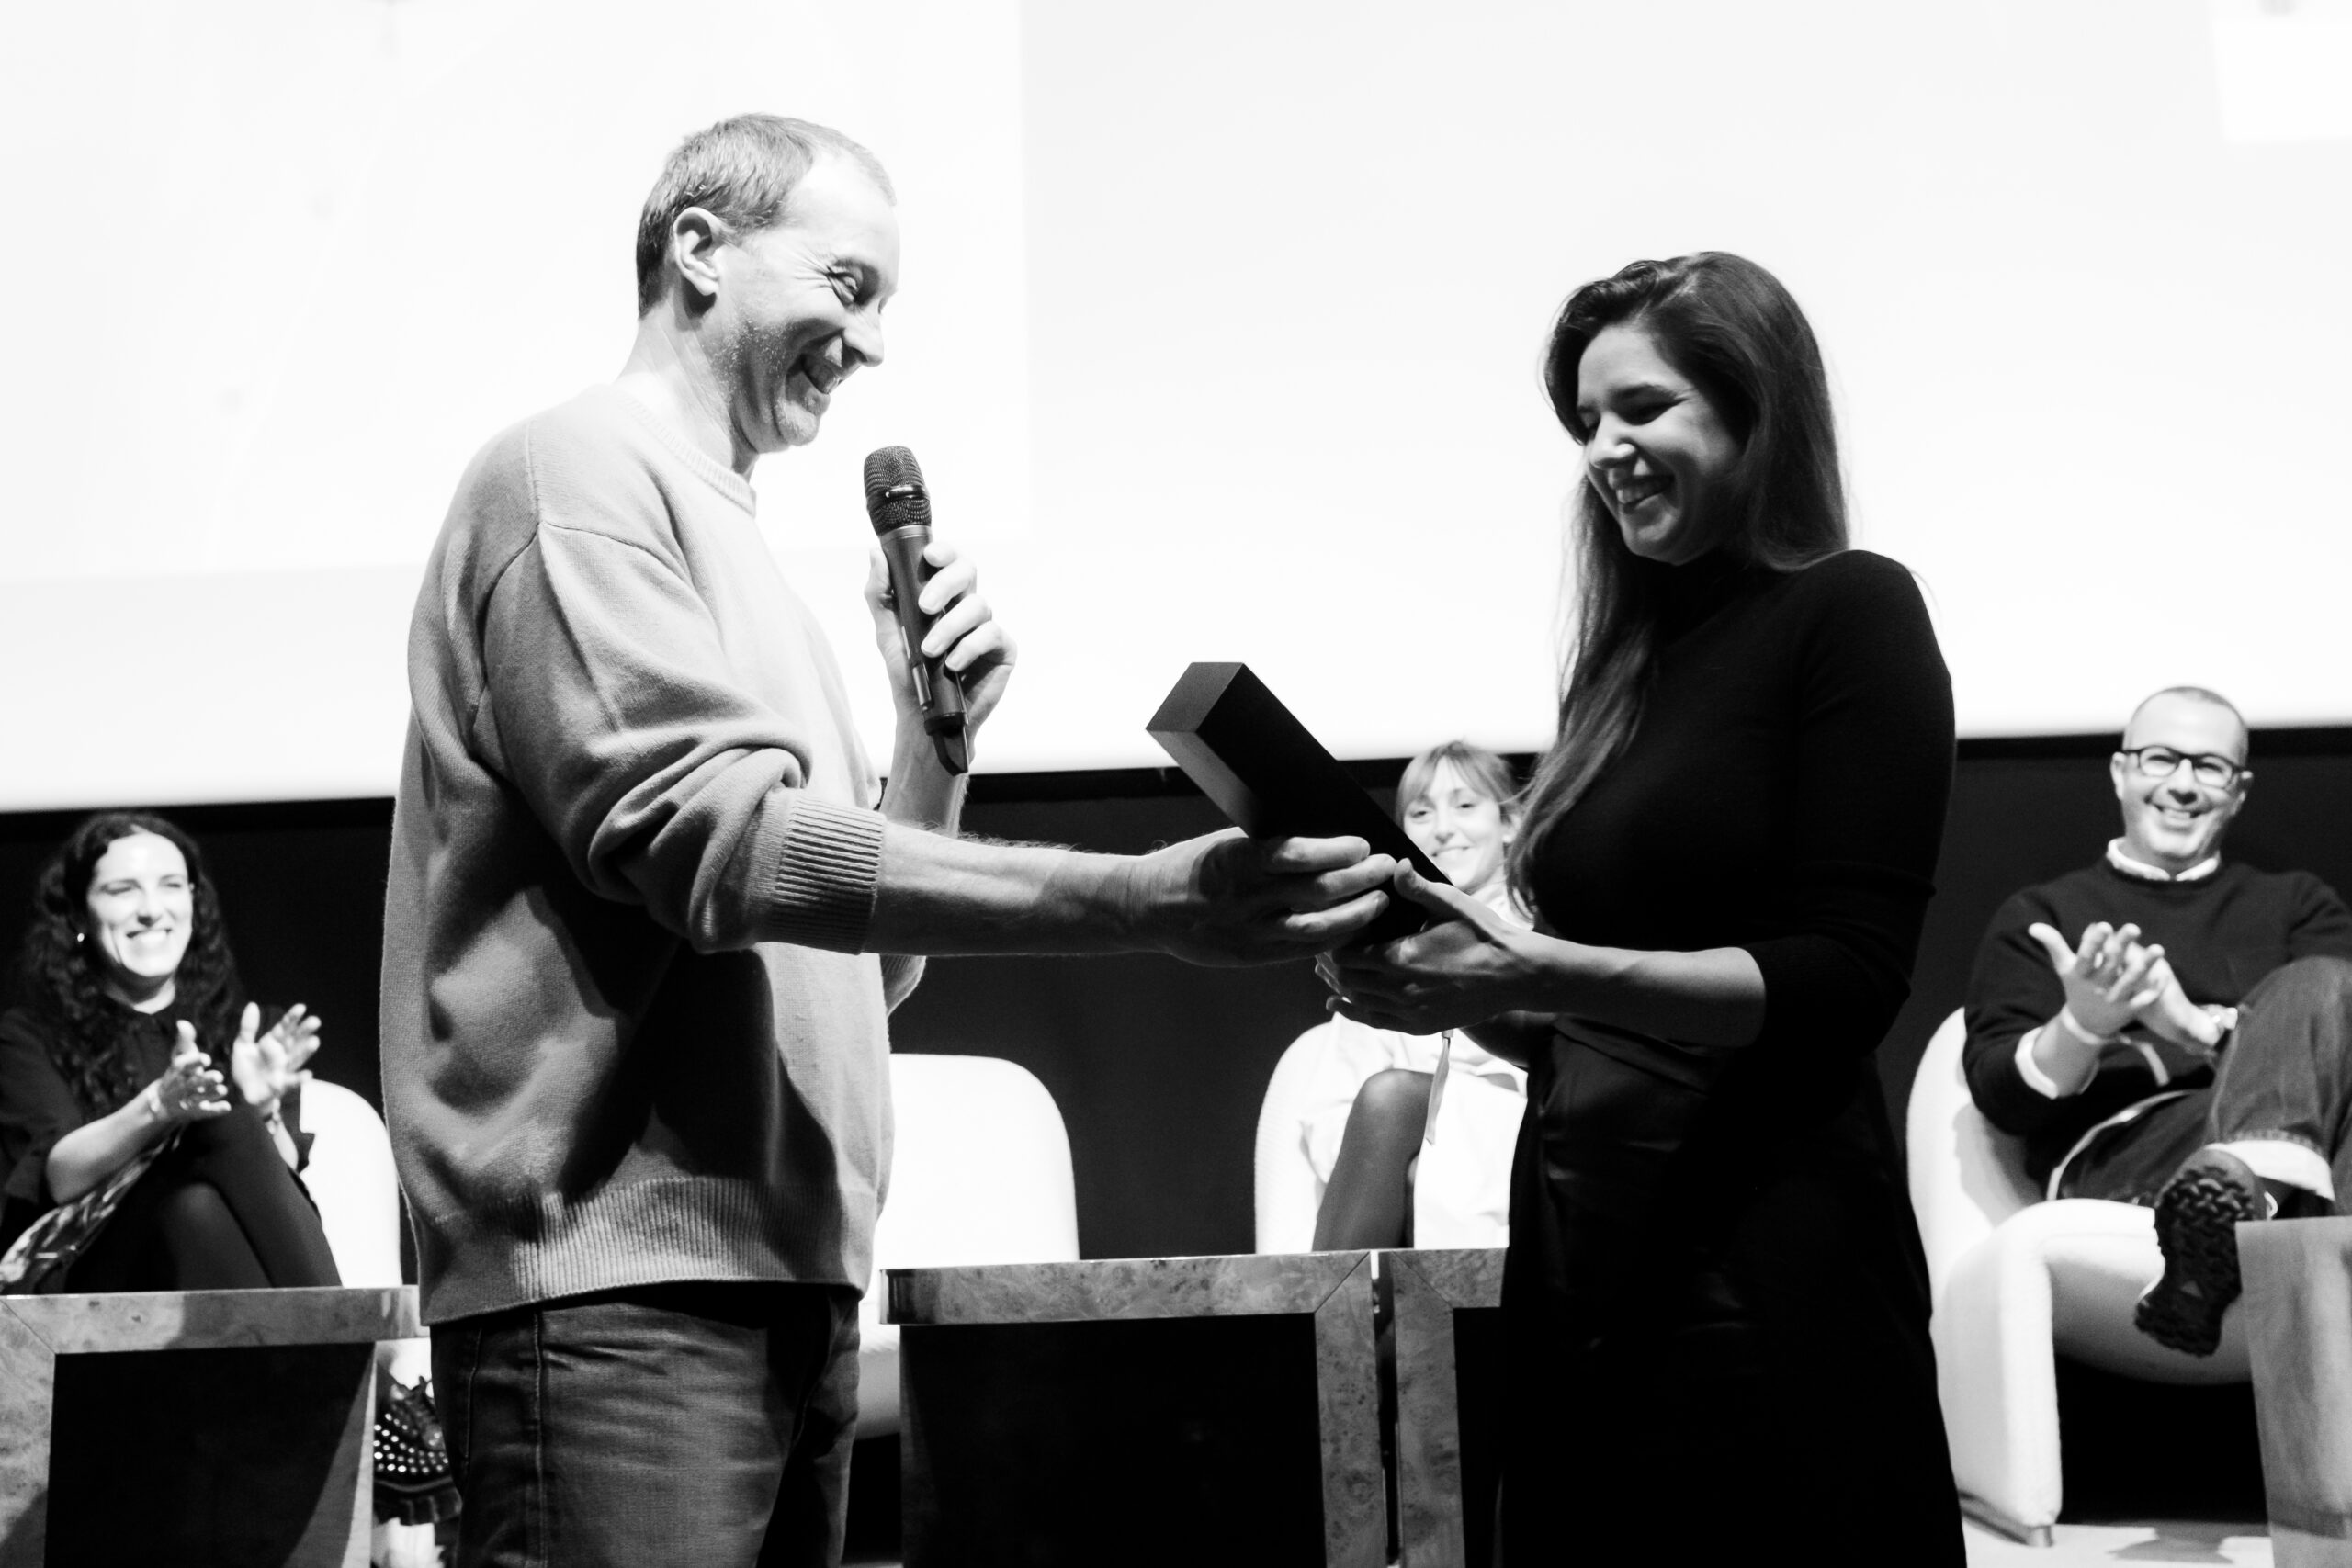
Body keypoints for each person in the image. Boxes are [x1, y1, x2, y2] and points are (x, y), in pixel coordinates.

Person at [383, 113, 1392, 1568]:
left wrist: (932, 747)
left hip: (780, 1290)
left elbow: (869, 970)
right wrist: (1141, 895)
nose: (868, 343)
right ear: (700, 248)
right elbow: (724, 853)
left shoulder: (755, 569)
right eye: (847, 285)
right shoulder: (574, 476)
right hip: (618, 1303)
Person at [1321, 253, 1963, 1562]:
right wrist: (1451, 991)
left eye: (1643, 406)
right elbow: (1594, 1027)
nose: (1605, 448)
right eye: (1586, 421)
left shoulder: (1852, 611)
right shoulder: (1619, 673)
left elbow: (1844, 980)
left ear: (1755, 407)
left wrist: (1531, 968)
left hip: (1764, 1252)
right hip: (1586, 1243)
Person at [1962, 685, 2352, 1356]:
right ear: (2121, 772)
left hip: (2305, 1156)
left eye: (2210, 766)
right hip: (2126, 1156)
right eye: (2161, 759)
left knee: (2323, 984)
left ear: (2239, 790)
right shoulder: (2046, 914)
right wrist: (2085, 1024)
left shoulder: (2297, 905)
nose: (2183, 783)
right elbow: (2002, 1099)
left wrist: (2195, 1030)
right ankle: (2240, 1204)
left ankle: (2232, 1215)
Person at [0, 812, 336, 1294]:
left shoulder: (246, 1032)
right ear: (77, 913)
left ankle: (318, 1336)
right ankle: (345, 1329)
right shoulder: (29, 1034)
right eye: (122, 890)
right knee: (222, 1122)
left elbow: (282, 1177)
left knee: (195, 1208)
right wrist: (160, 1106)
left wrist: (263, 1109)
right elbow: (61, 1178)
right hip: (86, 1272)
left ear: (194, 903)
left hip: (203, 1256)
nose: (151, 910)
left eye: (171, 886)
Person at [1278, 740, 1529, 1251]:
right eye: (1421, 812)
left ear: (1510, 823)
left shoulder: (1543, 936)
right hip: (1397, 1186)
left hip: (1521, 1151)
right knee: (1386, 1100)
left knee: (1394, 1099)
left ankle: (1332, 1300)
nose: (1443, 829)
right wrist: (1407, 1170)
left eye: (1465, 805)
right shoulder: (1381, 952)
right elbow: (1332, 1114)